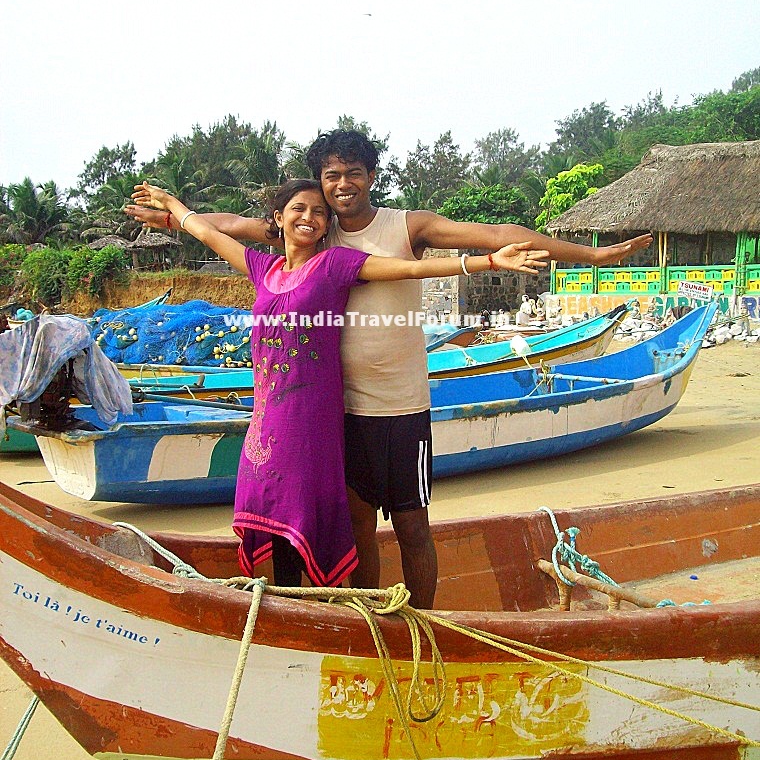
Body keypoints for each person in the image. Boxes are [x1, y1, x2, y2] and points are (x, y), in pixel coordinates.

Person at [127, 128, 653, 607]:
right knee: (359, 531)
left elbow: (495, 232)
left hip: (402, 407)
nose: (342, 184)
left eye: (354, 173)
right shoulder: (316, 232)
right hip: (339, 412)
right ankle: (372, 618)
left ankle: (423, 622)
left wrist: (590, 256)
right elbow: (229, 227)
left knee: (412, 528)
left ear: (372, 176)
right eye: (331, 175)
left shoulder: (406, 226)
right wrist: (174, 217)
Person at [132, 177, 549, 592]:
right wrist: (173, 205)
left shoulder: (333, 266)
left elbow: (409, 267)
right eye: (299, 209)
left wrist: (486, 262)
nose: (309, 218)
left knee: (303, 514)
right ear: (279, 218)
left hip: (311, 419)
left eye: (319, 212)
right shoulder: (263, 268)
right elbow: (208, 230)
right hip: (266, 421)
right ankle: (289, 605)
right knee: (273, 513)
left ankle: (316, 605)